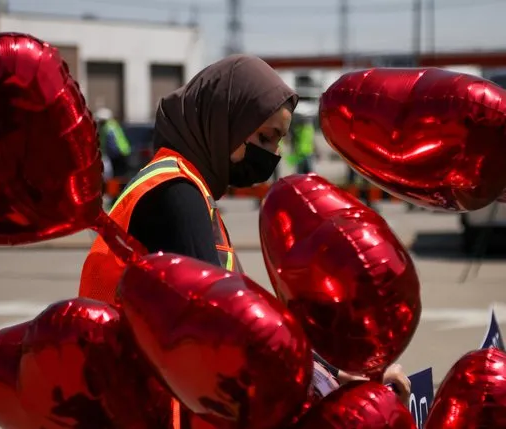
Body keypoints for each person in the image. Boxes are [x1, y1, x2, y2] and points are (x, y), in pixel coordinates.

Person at [79, 54, 410, 411]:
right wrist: (327, 383)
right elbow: (227, 331)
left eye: (279, 142)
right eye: (266, 138)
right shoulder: (175, 194)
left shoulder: (187, 187)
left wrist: (333, 373)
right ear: (226, 120)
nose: (272, 156)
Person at [95, 107, 132, 179]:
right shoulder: (112, 125)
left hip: (118, 153)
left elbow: (111, 143)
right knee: (120, 174)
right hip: (122, 151)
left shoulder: (108, 127)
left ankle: (118, 189)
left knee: (118, 175)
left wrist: (108, 154)